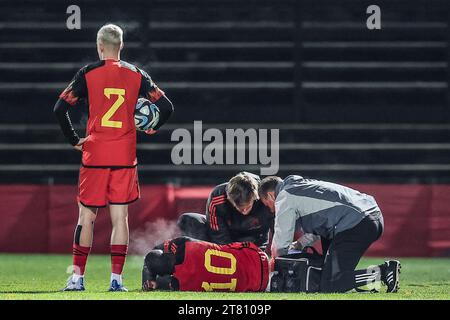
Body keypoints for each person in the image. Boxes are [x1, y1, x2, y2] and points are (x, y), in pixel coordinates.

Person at [54, 24, 174, 291]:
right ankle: (116, 281)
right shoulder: (137, 74)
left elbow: (60, 108)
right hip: (124, 156)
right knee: (121, 219)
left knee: (86, 218)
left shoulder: (87, 73)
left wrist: (75, 140)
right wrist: (152, 126)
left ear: (99, 47)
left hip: (94, 155)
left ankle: (77, 279)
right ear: (121, 46)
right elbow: (166, 106)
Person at [258, 175, 401, 293]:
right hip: (367, 217)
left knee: (331, 284)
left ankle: (384, 271)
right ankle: (349, 283)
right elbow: (323, 221)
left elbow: (281, 239)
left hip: (356, 224)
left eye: (267, 204)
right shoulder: (299, 186)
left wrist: (273, 264)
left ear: (271, 195)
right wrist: (300, 243)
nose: (271, 210)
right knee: (328, 276)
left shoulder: (284, 197)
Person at [177, 172, 274, 248]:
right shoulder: (218, 198)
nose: (244, 211)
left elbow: (277, 226)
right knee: (187, 220)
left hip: (252, 240)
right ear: (229, 199)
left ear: (255, 197)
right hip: (223, 237)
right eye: (239, 208)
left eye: (247, 207)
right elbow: (217, 235)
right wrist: (227, 253)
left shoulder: (265, 196)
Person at [141, 237, 270, 292]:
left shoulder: (179, 283)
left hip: (259, 285)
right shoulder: (184, 244)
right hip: (258, 257)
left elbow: (165, 282)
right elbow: (236, 245)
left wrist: (153, 281)